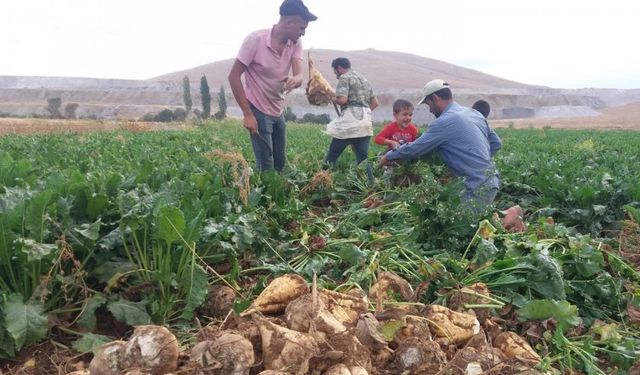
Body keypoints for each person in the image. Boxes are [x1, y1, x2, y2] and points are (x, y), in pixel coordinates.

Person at [379, 79, 502, 207]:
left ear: (435, 98)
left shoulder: (444, 122)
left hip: (477, 188)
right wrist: (475, 162)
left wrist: (389, 156)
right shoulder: (473, 113)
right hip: (491, 181)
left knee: (456, 225)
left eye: (428, 104)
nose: (430, 110)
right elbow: (496, 143)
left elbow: (415, 148)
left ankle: (512, 213)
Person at [228, 0, 317, 172]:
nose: (303, 33)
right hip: (258, 109)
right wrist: (247, 114)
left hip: (277, 109)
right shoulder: (255, 40)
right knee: (267, 164)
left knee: (280, 162)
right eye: (301, 28)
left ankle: (277, 196)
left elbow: (299, 75)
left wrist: (295, 79)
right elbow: (233, 76)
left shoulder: (295, 43)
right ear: (289, 23)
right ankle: (265, 197)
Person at [323, 57, 379, 183]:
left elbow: (342, 100)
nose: (336, 75)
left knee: (332, 155)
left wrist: (332, 98)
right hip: (365, 124)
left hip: (349, 124)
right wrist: (363, 114)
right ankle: (371, 187)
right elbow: (375, 103)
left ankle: (320, 181)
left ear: (338, 68)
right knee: (363, 160)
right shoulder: (364, 80)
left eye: (335, 72)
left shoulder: (344, 77)